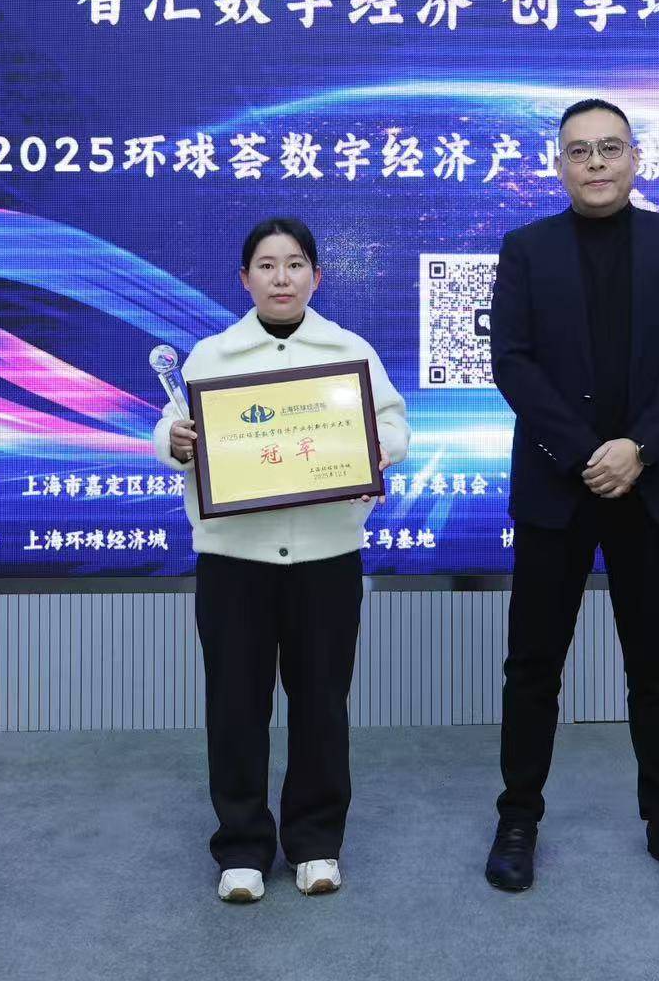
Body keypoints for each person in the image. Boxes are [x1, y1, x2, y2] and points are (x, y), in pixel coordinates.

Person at [484, 98, 659, 893]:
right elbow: (511, 361)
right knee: (532, 666)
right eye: (579, 151)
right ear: (558, 165)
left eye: (609, 148)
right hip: (557, 488)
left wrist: (639, 449)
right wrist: (588, 453)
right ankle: (518, 818)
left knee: (654, 665)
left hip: (649, 488)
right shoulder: (526, 248)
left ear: (634, 160)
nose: (594, 163)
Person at [153, 216, 410, 904]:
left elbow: (392, 422)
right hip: (234, 561)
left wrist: (378, 448)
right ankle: (241, 847)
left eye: (295, 264)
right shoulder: (212, 355)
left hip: (327, 556)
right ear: (244, 278)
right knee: (235, 704)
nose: (281, 278)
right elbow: (174, 425)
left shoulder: (348, 349)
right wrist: (172, 440)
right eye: (266, 266)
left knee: (321, 702)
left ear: (316, 277)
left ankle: (315, 843)